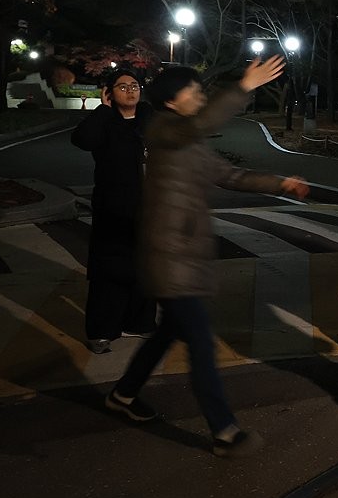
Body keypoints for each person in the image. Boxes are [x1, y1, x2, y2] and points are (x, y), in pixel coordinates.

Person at [104, 56, 310, 458]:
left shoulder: (187, 140)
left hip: (183, 255)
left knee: (167, 333)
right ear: (170, 102)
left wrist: (280, 183)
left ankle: (124, 395)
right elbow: (203, 123)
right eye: (193, 91)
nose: (199, 96)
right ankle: (224, 431)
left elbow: (229, 176)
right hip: (170, 258)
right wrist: (242, 86)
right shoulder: (165, 131)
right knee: (201, 344)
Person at [71, 68, 157, 354]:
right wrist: (101, 110)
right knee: (108, 269)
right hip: (112, 206)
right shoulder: (105, 121)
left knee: (145, 267)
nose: (131, 91)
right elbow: (82, 140)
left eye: (134, 85)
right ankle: (101, 330)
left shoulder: (149, 118)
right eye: (122, 87)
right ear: (109, 92)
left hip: (149, 206)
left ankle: (139, 321)